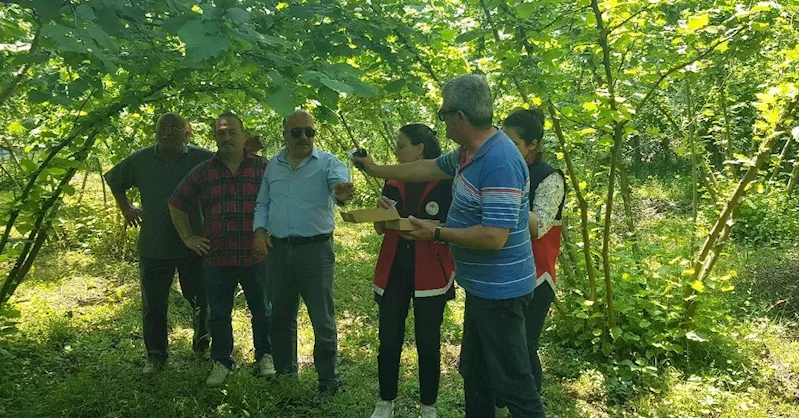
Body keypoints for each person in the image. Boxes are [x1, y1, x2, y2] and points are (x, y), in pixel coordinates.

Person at [353, 75, 546, 417]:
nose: (442, 122)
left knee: (514, 385)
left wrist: (438, 231)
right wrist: (377, 169)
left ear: (459, 116)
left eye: (443, 115)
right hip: (481, 288)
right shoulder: (470, 152)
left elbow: (494, 236)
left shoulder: (499, 160)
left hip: (502, 293)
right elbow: (428, 167)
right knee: (476, 375)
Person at [253, 109, 355, 402]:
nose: (303, 138)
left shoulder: (328, 163)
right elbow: (263, 203)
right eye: (296, 132)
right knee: (281, 315)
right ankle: (286, 374)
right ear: (284, 134)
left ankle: (327, 380)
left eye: (309, 132)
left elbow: (339, 188)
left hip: (315, 251)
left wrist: (342, 192)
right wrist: (259, 230)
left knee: (322, 318)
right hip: (279, 251)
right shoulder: (274, 165)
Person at [168, 112, 273, 388]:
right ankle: (221, 361)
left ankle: (265, 355)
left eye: (232, 132)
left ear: (243, 135)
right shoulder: (204, 171)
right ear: (215, 137)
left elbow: (283, 201)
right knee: (218, 313)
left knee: (263, 310)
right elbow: (176, 203)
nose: (226, 137)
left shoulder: (265, 168)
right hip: (217, 257)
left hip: (256, 255)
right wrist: (188, 237)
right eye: (221, 133)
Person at [104, 112, 212, 374]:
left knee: (201, 300)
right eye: (163, 128)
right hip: (155, 244)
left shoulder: (201, 158)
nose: (167, 133)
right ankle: (155, 355)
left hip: (194, 244)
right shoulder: (141, 159)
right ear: (156, 131)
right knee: (154, 304)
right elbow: (114, 179)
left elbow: (230, 170)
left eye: (174, 129)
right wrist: (126, 207)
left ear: (186, 133)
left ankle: (202, 345)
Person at [369, 124, 455, 418]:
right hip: (394, 267)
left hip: (431, 269)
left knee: (428, 341)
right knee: (389, 338)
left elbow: (457, 225)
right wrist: (381, 212)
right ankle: (385, 401)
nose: (396, 151)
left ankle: (428, 405)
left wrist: (433, 230)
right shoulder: (393, 179)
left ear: (419, 150)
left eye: (401, 145)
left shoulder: (447, 180)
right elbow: (380, 227)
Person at [494, 109, 565, 418]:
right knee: (498, 347)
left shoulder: (549, 177)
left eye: (514, 144)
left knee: (522, 349)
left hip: (536, 277)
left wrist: (509, 193)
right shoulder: (499, 168)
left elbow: (538, 226)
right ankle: (499, 405)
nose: (505, 150)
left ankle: (525, 408)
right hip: (501, 274)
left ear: (533, 145)